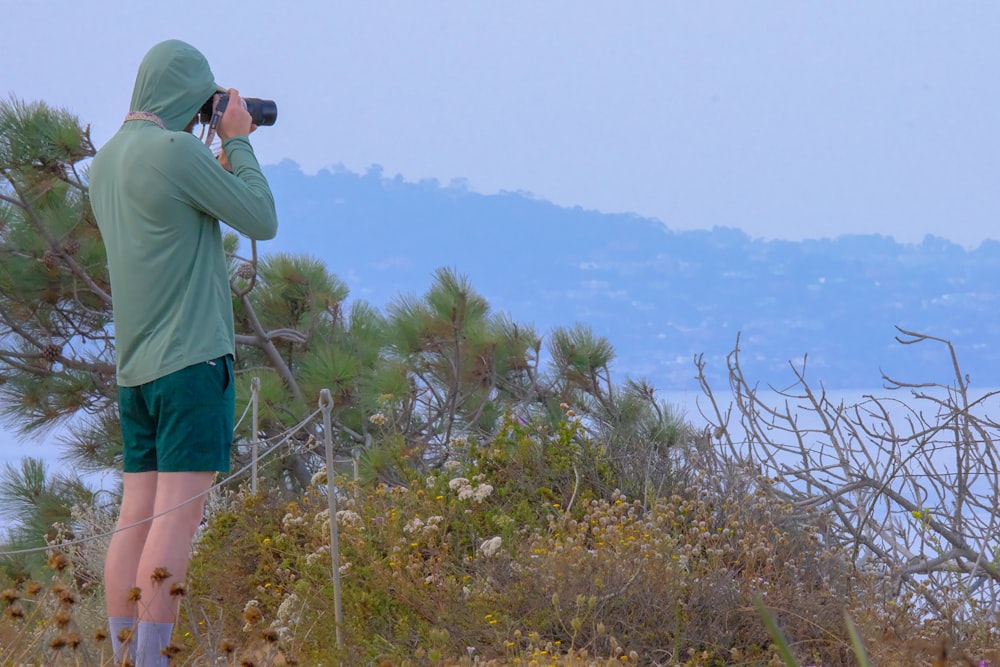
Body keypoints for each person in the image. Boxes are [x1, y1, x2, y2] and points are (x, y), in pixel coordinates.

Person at [89, 39, 278, 666]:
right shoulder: (174, 152)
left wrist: (210, 154)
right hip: (192, 366)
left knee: (134, 517)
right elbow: (260, 216)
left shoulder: (109, 160)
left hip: (136, 372)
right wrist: (239, 139)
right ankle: (151, 661)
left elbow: (168, 221)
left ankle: (123, 657)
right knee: (175, 522)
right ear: (191, 97)